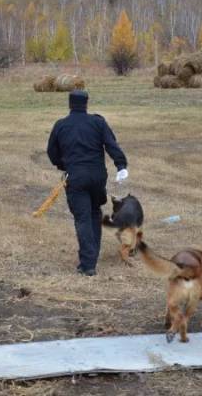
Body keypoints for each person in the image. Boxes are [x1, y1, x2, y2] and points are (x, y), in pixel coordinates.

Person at [47, 90, 128, 276]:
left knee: (83, 217)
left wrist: (62, 165)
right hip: (98, 177)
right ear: (86, 104)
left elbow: (52, 152)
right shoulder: (98, 122)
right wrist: (121, 165)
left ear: (70, 104)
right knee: (94, 213)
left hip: (75, 177)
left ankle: (88, 264)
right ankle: (91, 257)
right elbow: (111, 144)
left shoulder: (61, 125)